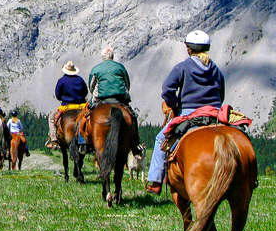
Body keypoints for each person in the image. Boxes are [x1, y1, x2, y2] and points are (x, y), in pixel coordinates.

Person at [146, 30, 225, 195]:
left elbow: (167, 89)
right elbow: (221, 92)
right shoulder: (216, 69)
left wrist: (175, 105)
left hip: (189, 112)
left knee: (161, 138)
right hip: (215, 112)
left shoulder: (182, 67)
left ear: (189, 49)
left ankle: (155, 181)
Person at [88, 47, 143, 156]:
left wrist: (94, 95)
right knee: (133, 116)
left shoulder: (96, 69)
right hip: (120, 99)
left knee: (87, 115)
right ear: (112, 57)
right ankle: (135, 144)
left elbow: (91, 86)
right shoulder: (120, 67)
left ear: (102, 57)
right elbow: (127, 84)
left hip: (102, 99)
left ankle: (84, 142)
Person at [47, 61, 88, 149]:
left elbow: (57, 95)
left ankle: (54, 140)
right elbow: (86, 92)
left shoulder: (61, 80)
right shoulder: (80, 79)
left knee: (51, 118)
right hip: (81, 106)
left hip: (66, 106)